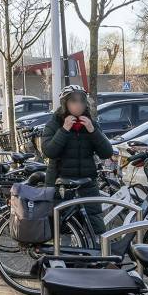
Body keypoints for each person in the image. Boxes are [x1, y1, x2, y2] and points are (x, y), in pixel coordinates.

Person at [40, 86, 114, 238]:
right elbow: (49, 152)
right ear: (65, 104)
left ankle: (94, 252)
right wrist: (64, 130)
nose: (78, 105)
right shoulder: (54, 123)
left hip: (87, 183)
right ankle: (63, 253)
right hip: (60, 184)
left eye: (81, 101)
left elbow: (106, 152)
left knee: (95, 226)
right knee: (60, 227)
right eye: (73, 101)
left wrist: (93, 130)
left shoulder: (90, 123)